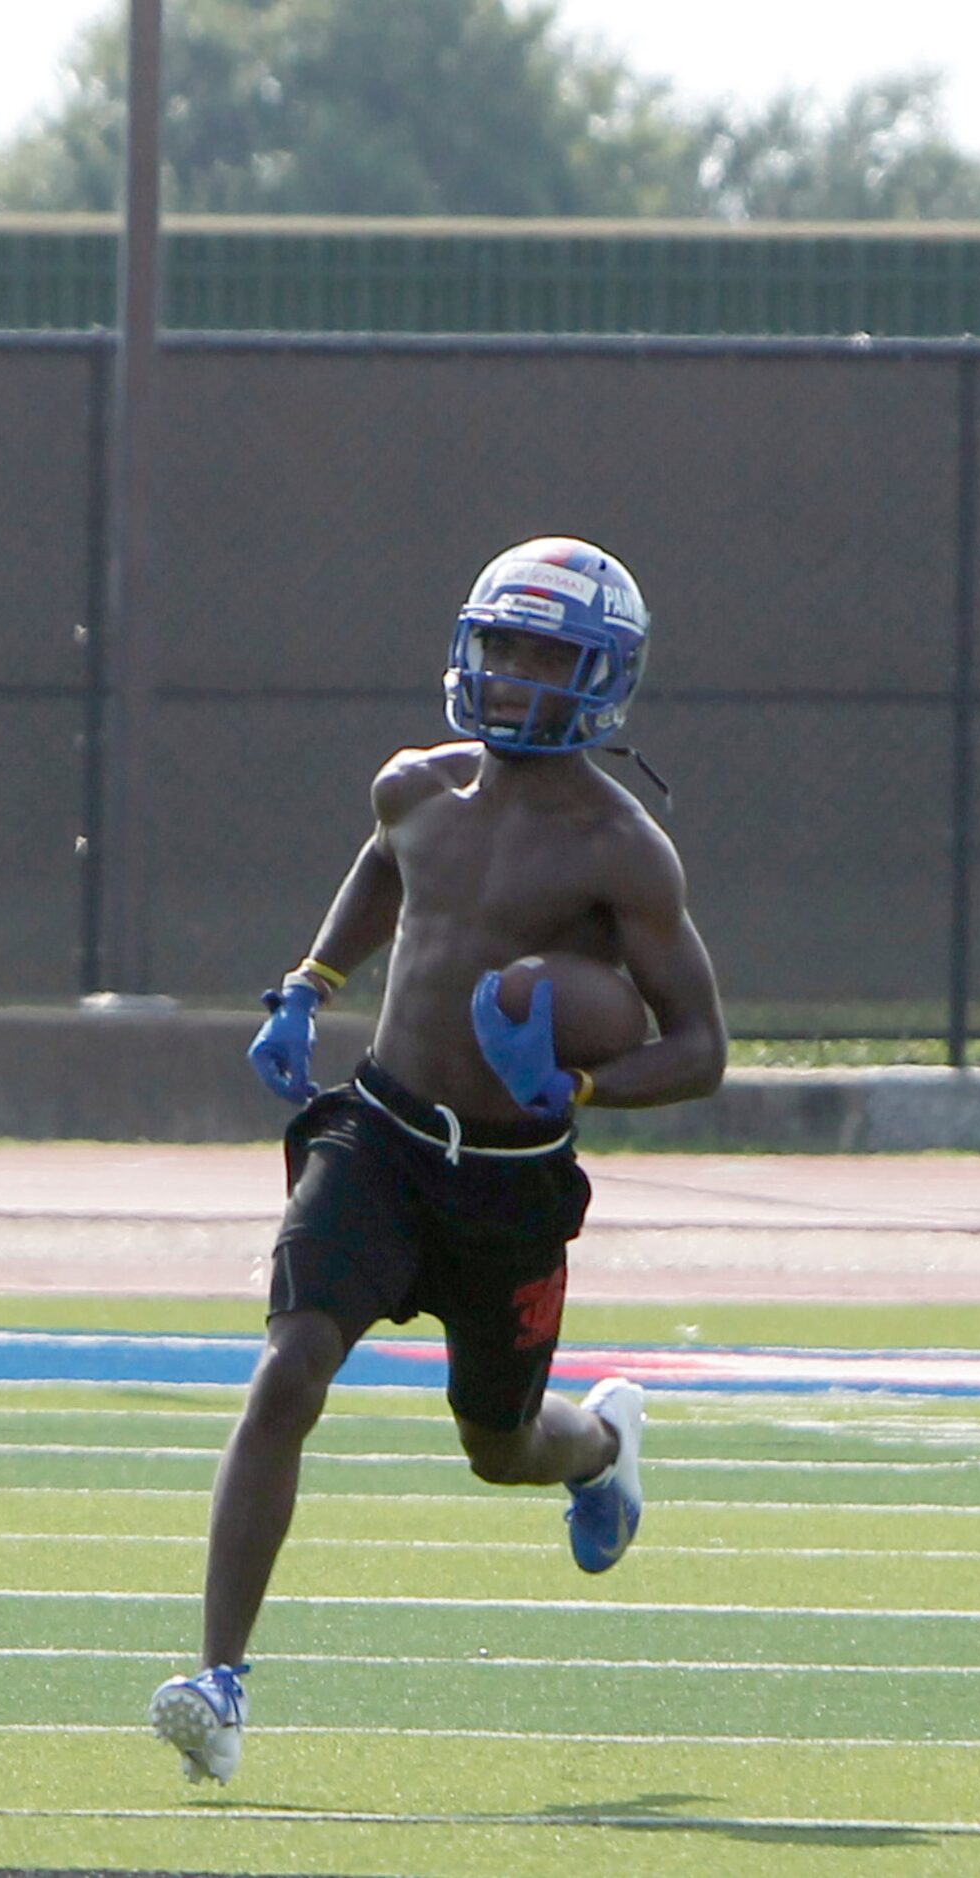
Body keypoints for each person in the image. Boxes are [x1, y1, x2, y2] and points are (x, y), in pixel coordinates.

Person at [148, 537, 728, 1786]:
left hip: (511, 1184)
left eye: (548, 655)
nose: (516, 675)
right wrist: (310, 982)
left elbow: (702, 1049)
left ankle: (603, 1451)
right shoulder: (416, 785)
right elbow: (384, 865)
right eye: (504, 646)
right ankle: (220, 1680)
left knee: (499, 1445)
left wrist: (579, 1085)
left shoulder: (622, 849)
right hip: (380, 1137)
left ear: (601, 677)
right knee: (289, 1366)